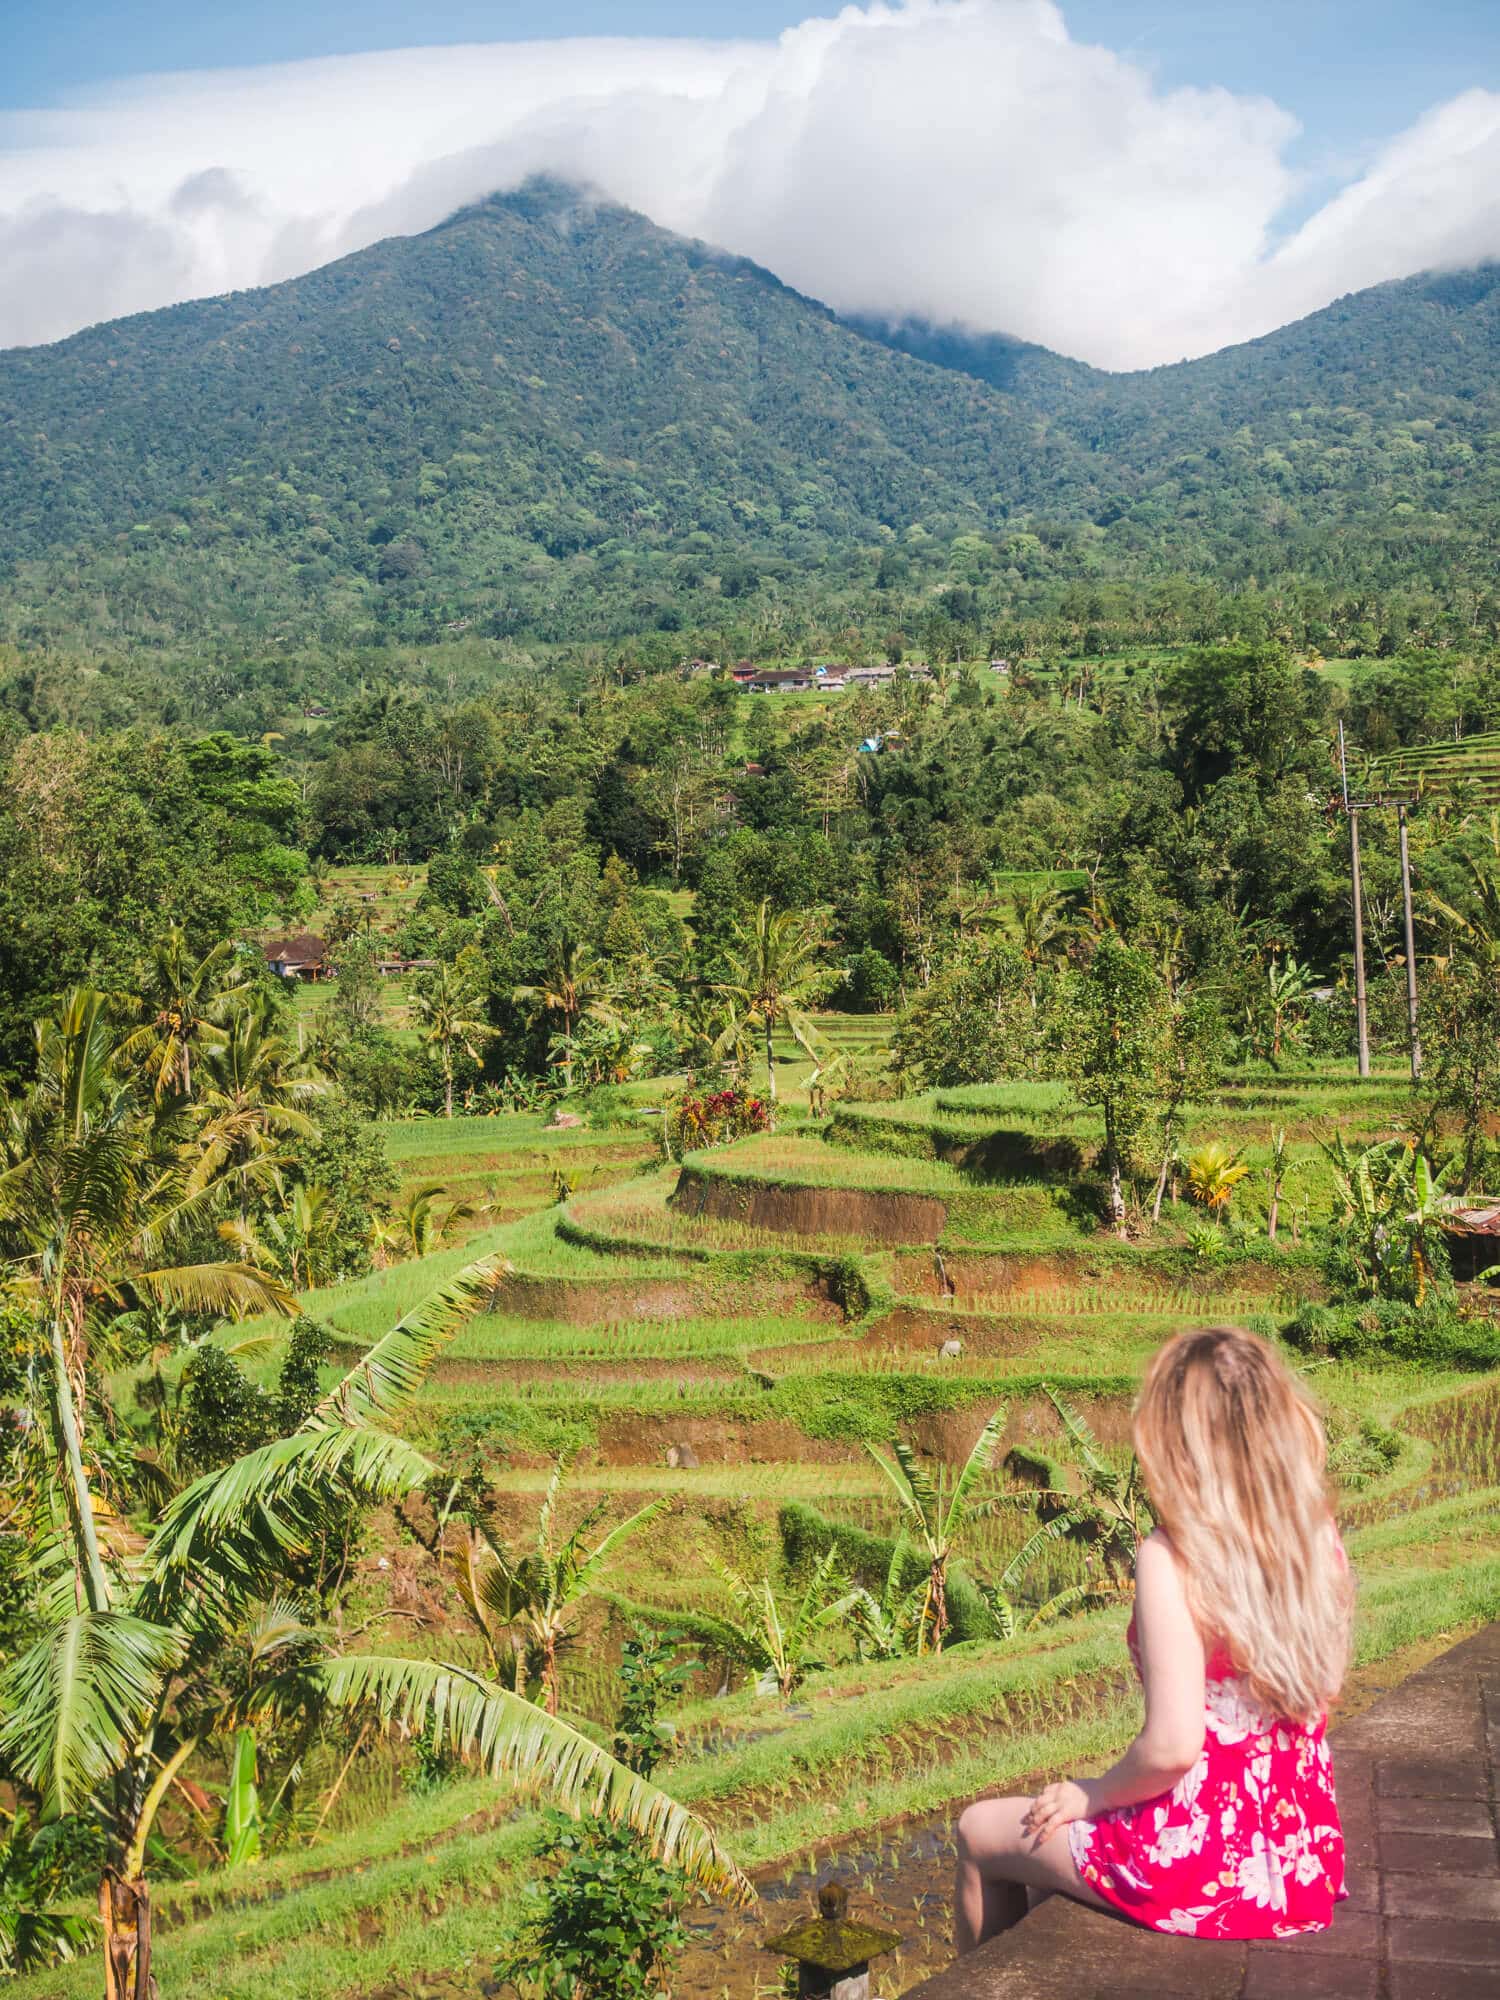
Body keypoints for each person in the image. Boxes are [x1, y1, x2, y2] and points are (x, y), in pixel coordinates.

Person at [954, 1325, 1354, 1952]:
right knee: (1051, 1850)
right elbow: (1324, 1684)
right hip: (1303, 1858)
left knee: (979, 1831)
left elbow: (1172, 1747)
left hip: (1199, 1862)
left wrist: (1093, 1792)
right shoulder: (1313, 1532)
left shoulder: (1172, 1557)